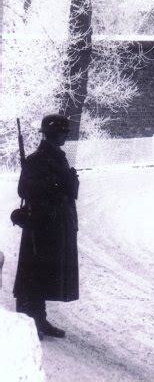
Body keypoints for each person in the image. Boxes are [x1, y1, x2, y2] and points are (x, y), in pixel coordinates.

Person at [13, 114, 79, 339]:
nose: (66, 136)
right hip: (40, 225)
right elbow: (24, 190)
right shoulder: (37, 159)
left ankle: (39, 320)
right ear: (53, 133)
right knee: (33, 273)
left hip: (55, 225)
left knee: (42, 274)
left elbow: (67, 190)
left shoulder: (57, 157)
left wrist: (69, 182)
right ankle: (27, 323)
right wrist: (58, 186)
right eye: (63, 132)